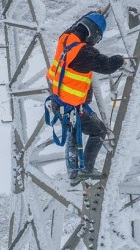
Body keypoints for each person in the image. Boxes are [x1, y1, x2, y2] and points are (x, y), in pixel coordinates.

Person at [46, 12, 124, 184]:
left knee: (74, 134)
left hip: (57, 100)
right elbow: (108, 65)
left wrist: (94, 15)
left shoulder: (65, 38)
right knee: (98, 131)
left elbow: (77, 25)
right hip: (71, 106)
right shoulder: (83, 52)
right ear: (94, 34)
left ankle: (74, 175)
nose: (95, 43)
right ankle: (83, 171)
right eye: (97, 39)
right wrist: (121, 59)